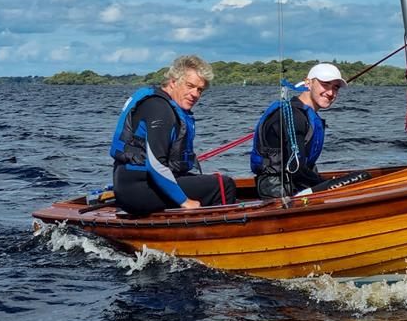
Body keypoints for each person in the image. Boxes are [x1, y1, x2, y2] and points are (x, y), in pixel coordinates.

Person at [110, 55, 236, 215]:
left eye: (200, 90)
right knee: (223, 185)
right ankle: (219, 235)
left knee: (205, 181)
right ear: (173, 82)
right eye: (190, 86)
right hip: (139, 189)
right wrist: (185, 201)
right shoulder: (161, 110)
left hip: (128, 184)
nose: (195, 94)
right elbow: (156, 165)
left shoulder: (158, 102)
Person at [251, 63, 361, 199]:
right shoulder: (294, 116)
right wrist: (327, 183)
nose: (331, 93)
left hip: (298, 185)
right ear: (308, 83)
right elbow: (296, 168)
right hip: (279, 193)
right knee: (361, 177)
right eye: (325, 84)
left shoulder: (302, 114)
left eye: (335, 87)